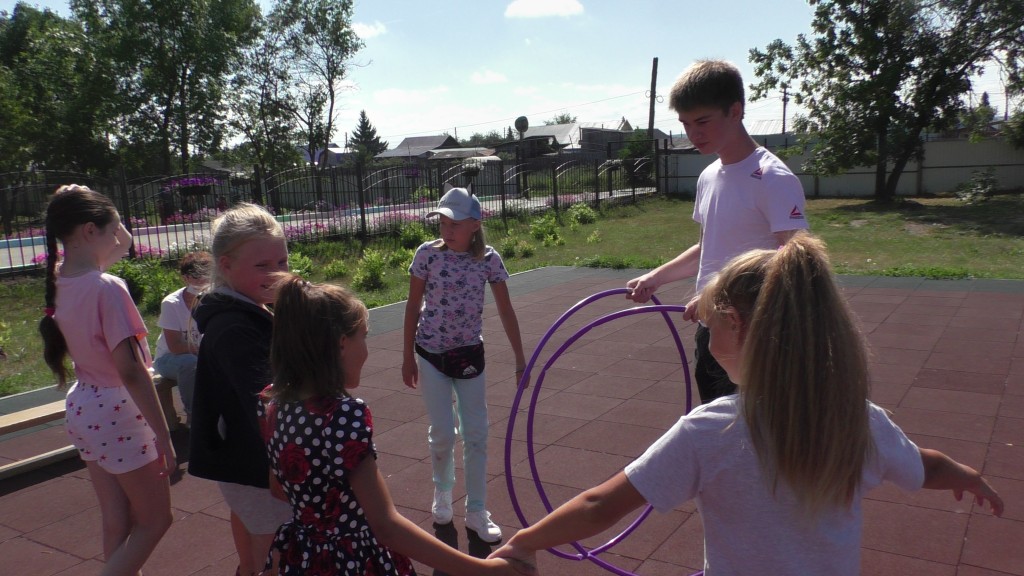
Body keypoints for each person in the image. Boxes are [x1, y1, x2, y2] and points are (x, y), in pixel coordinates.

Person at [490, 233, 1004, 575]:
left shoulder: (711, 432)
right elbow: (923, 465)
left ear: (735, 324)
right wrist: (968, 475)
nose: (707, 336)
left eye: (711, 324)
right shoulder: (859, 421)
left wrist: (525, 541)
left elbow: (600, 505)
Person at [259, 274, 534, 576]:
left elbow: (278, 488)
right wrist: (483, 570)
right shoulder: (342, 416)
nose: (366, 349)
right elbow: (386, 527)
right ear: (341, 344)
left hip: (303, 554)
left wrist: (321, 516)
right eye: (363, 336)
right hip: (352, 558)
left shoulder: (274, 404)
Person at [626, 59, 809, 405]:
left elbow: (796, 261)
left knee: (759, 431)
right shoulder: (708, 176)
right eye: (685, 123)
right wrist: (655, 277)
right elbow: (707, 247)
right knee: (717, 427)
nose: (693, 134)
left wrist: (719, 295)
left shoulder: (772, 178)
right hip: (713, 333)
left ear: (735, 111)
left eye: (702, 121)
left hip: (756, 338)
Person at [39, 184, 176, 576]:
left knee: (118, 521)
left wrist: (92, 199)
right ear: (89, 231)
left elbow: (122, 244)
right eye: (113, 228)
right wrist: (164, 436)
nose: (119, 238)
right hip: (119, 411)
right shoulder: (107, 287)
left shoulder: (62, 279)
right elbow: (131, 370)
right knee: (156, 520)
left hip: (85, 405)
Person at [402, 185, 528, 545]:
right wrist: (407, 356)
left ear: (475, 224)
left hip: (469, 356)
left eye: (455, 223)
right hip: (431, 354)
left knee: (476, 433)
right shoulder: (427, 254)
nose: (447, 230)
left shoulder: (488, 259)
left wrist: (520, 359)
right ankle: (443, 492)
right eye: (442, 222)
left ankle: (476, 509)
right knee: (443, 432)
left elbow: (506, 309)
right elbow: (412, 305)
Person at [188, 203, 292, 576]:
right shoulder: (235, 327)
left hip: (244, 461)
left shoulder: (243, 310)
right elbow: (264, 404)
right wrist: (283, 466)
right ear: (226, 265)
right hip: (258, 465)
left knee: (254, 541)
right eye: (262, 265)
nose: (277, 273)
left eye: (282, 261)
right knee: (278, 554)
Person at [152, 250, 213, 427]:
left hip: (201, 355)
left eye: (207, 275)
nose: (203, 281)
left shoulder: (214, 298)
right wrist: (205, 351)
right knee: (191, 364)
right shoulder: (172, 303)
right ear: (185, 278)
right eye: (197, 276)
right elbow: (175, 346)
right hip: (169, 359)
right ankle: (194, 416)